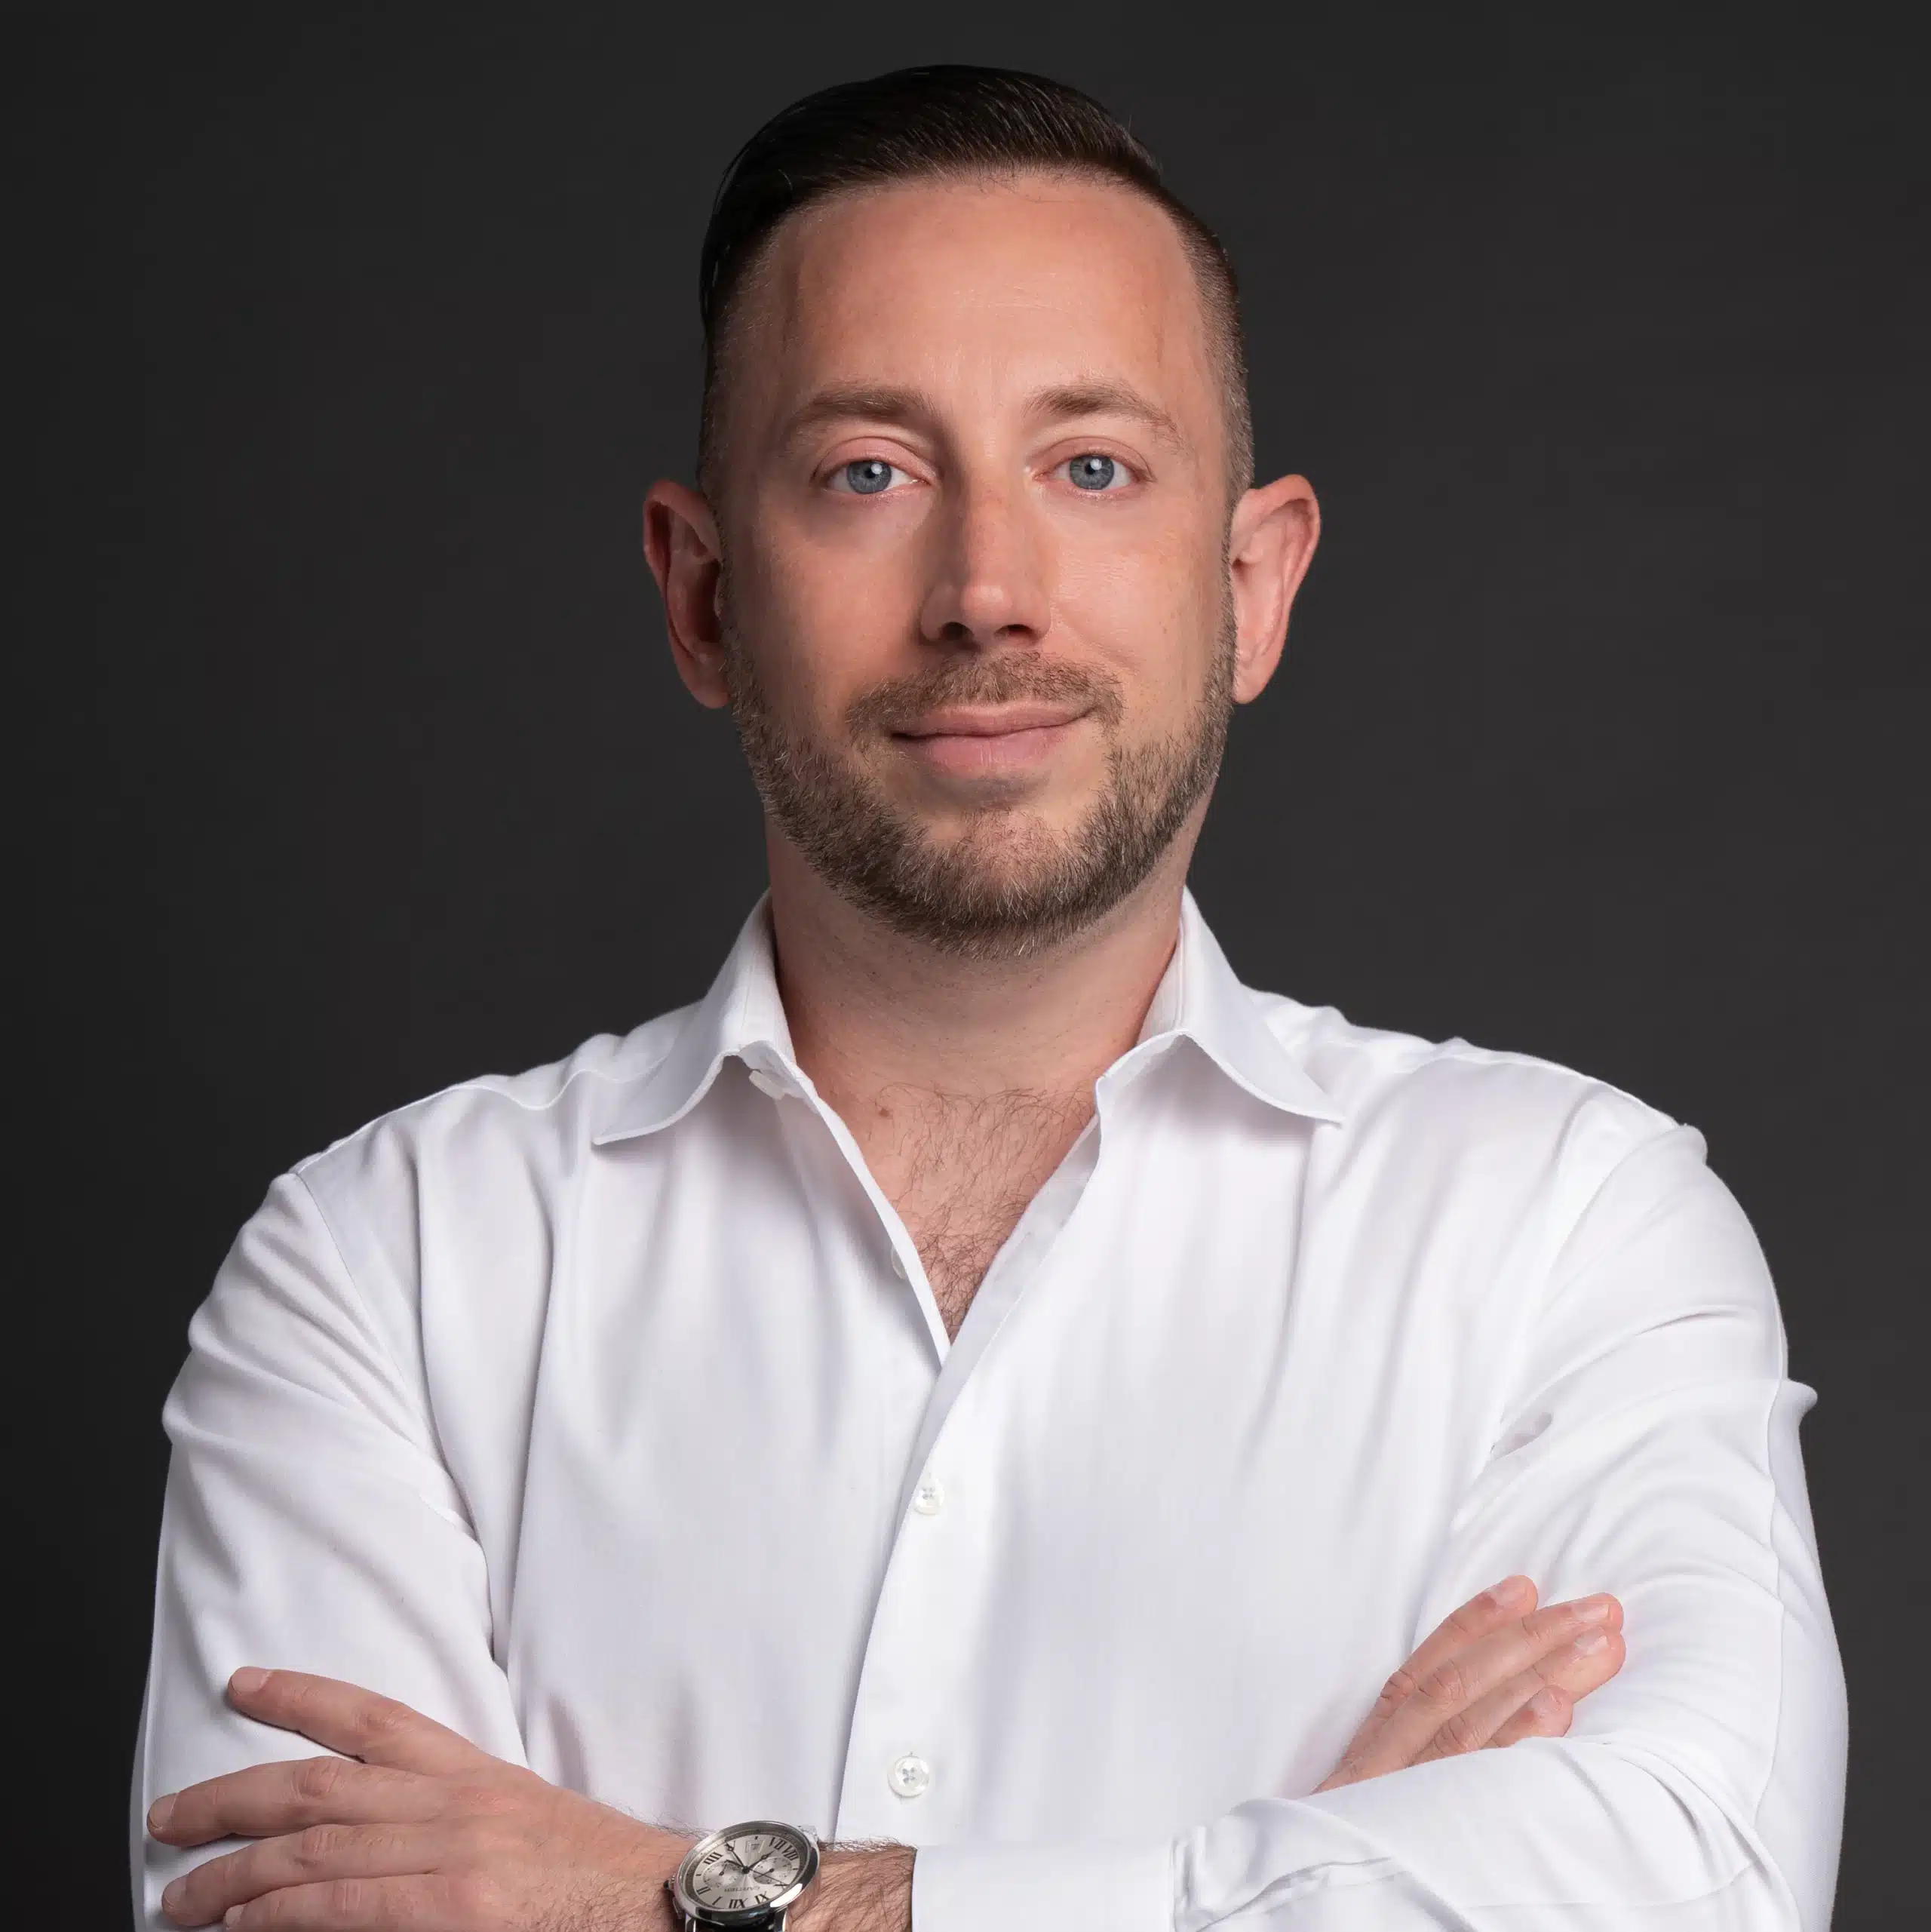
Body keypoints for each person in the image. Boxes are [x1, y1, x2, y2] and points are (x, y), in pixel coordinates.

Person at [133, 65, 1847, 1932]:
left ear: (1251, 585)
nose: (984, 589)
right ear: (703, 597)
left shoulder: (1565, 1231)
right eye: (867, 472)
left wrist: (656, 1893)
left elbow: (1689, 1888)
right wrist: (1296, 1872)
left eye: (1090, 465)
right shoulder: (380, 1269)